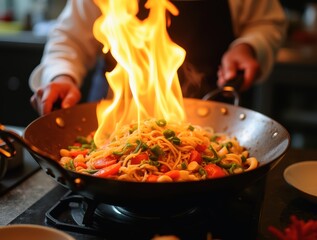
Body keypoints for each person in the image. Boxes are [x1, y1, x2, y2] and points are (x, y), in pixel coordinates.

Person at [29, 0, 287, 116]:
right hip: (112, 112)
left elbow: (266, 22)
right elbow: (70, 37)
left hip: (209, 110)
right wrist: (61, 75)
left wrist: (249, 46)